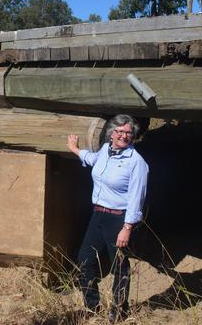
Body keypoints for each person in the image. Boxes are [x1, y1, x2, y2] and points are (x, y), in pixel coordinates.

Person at [66, 114, 149, 323]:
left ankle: (119, 310)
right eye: (120, 131)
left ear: (133, 136)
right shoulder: (105, 151)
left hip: (118, 219)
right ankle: (92, 306)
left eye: (128, 133)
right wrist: (76, 151)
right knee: (85, 258)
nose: (124, 135)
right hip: (98, 215)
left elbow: (136, 198)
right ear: (111, 133)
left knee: (119, 265)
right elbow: (93, 160)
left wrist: (128, 227)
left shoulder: (137, 163)